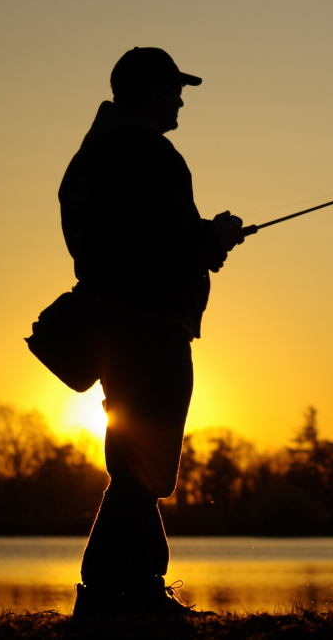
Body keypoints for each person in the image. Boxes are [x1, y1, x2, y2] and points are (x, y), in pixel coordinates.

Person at [58, 47, 245, 616]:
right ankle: (109, 591)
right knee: (147, 462)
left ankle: (134, 588)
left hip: (114, 325)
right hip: (151, 325)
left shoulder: (92, 155)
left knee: (138, 460)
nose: (182, 99)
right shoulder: (149, 152)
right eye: (174, 88)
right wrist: (215, 238)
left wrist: (199, 241)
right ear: (151, 91)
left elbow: (122, 239)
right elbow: (166, 241)